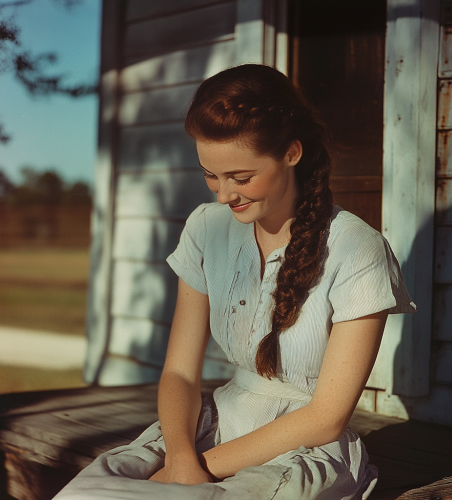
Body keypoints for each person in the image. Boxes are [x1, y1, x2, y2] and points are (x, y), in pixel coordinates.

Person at [54, 64, 416, 500]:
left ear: (292, 153)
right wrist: (181, 456)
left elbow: (326, 417)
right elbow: (181, 373)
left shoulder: (357, 248)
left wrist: (194, 471)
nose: (224, 195)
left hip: (304, 447)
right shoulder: (208, 228)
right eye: (211, 175)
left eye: (241, 178)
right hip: (215, 421)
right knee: (91, 492)